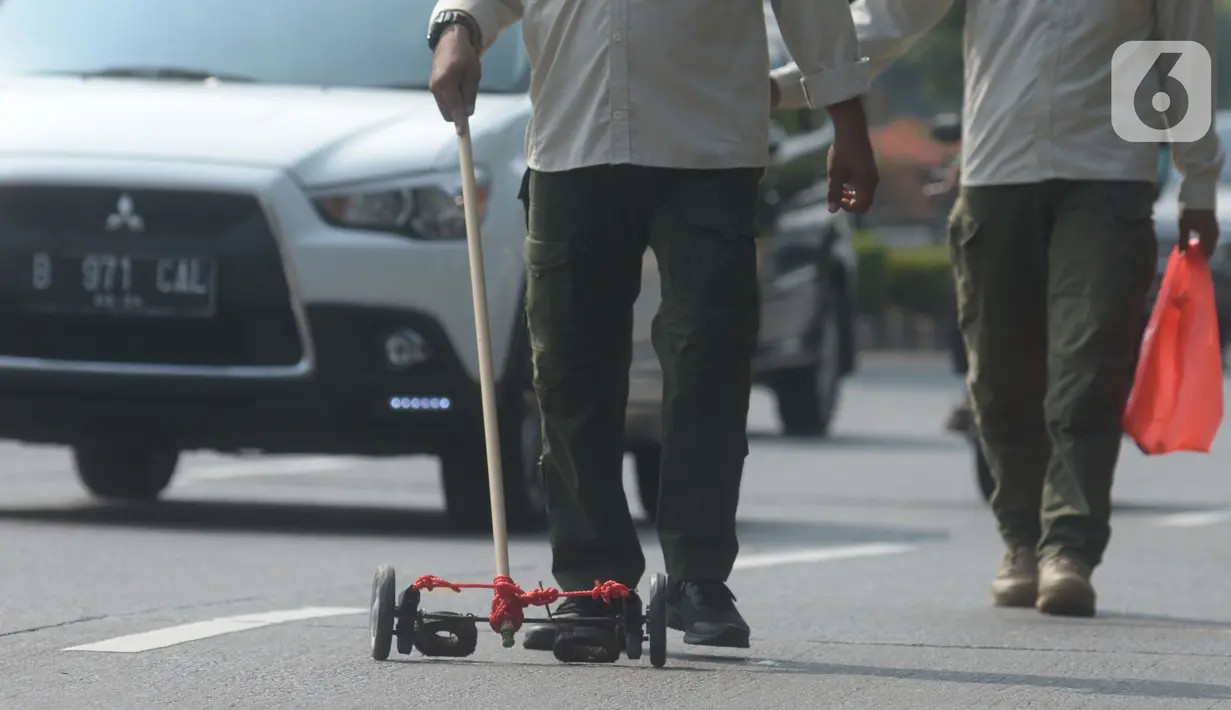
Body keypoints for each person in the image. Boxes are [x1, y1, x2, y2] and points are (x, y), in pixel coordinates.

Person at [426, 0, 880, 651]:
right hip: (573, 141)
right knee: (570, 368)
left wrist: (848, 123)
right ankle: (593, 586)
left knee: (709, 357)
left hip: (709, 146)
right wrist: (456, 29)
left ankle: (698, 579)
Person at [777, 0, 1223, 617]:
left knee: (1089, 366)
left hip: (1109, 172)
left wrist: (1199, 183)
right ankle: (1020, 540)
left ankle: (1069, 549)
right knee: (999, 376)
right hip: (997, 172)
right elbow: (889, 19)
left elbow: (1183, 55)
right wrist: (781, 83)